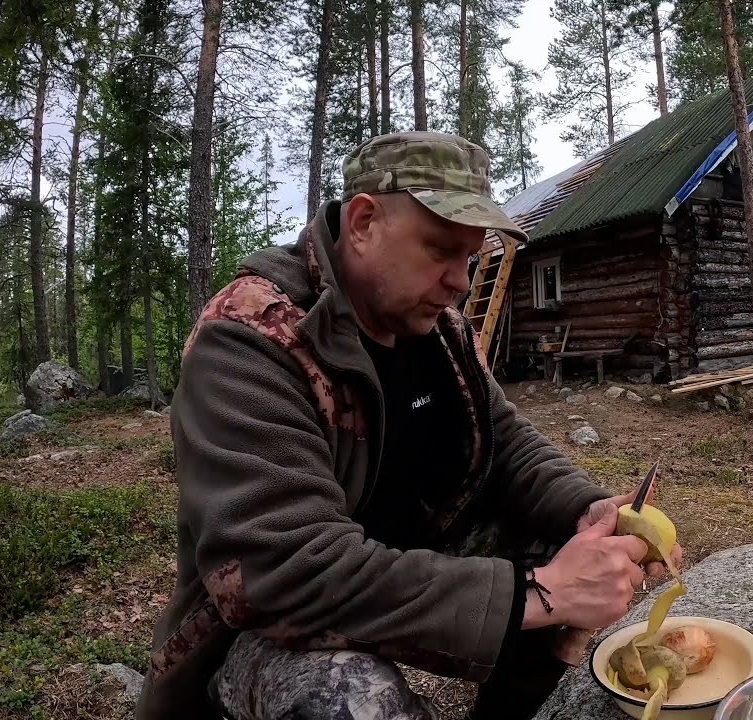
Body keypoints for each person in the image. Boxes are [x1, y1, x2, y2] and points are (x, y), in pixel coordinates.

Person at [135, 131, 683, 720]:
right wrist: (536, 593)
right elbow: (281, 573)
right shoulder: (251, 339)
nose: (461, 281)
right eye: (441, 249)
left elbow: (503, 441)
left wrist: (586, 510)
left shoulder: (439, 330)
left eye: (471, 258)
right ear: (365, 223)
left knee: (576, 549)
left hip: (401, 566)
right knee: (348, 696)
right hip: (262, 630)